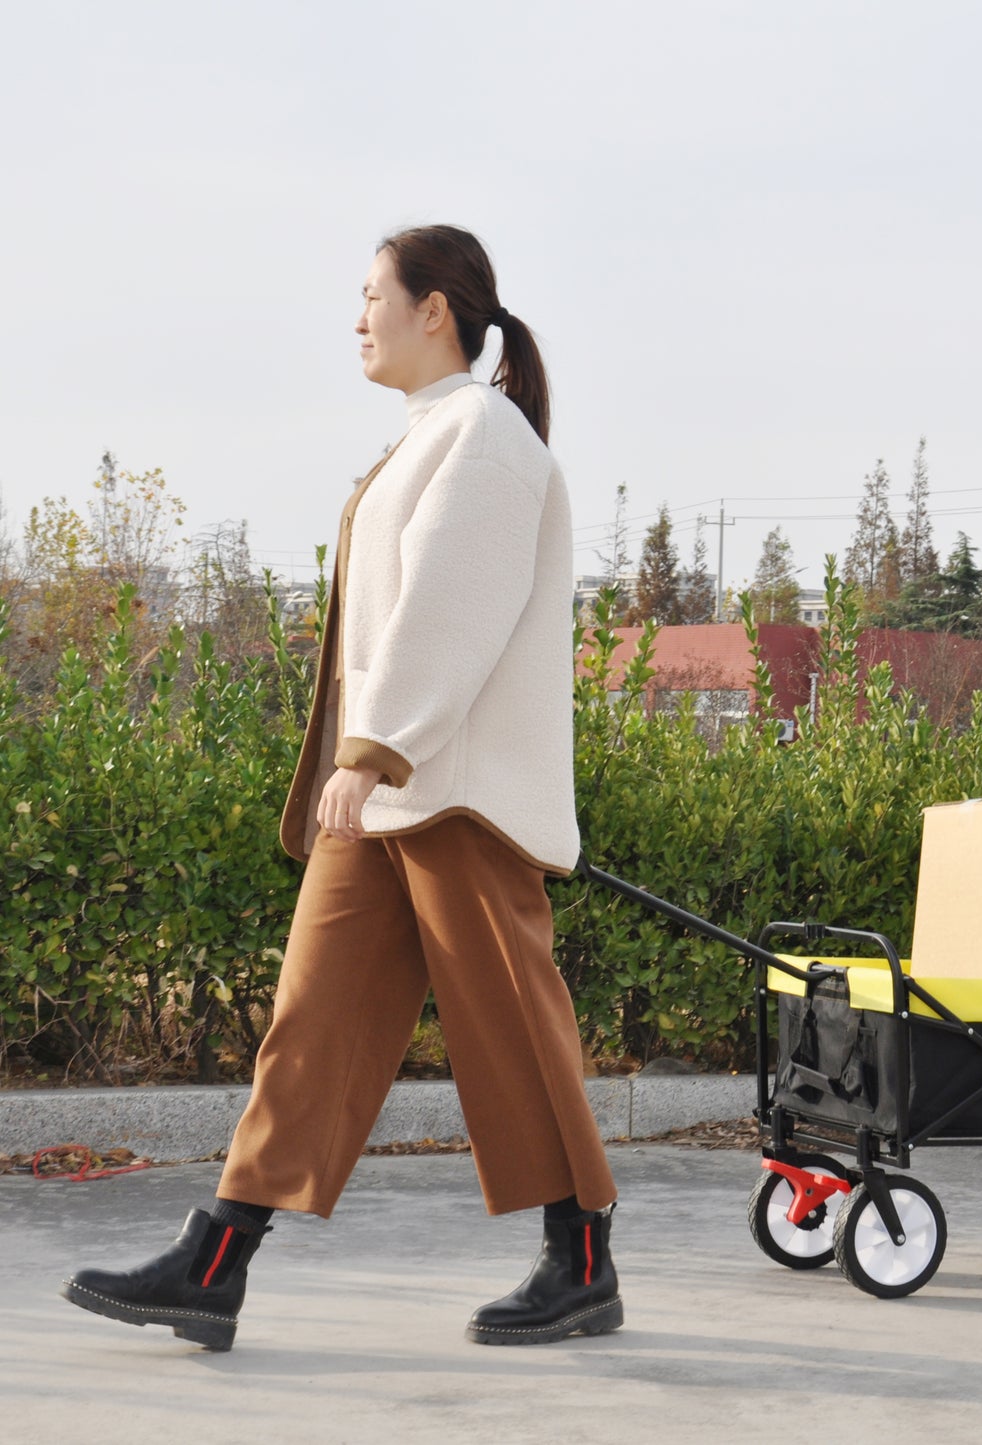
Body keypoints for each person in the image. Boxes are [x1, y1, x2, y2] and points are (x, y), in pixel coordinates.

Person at [60, 224, 621, 1352]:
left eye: (372, 295)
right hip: (388, 791)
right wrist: (362, 766)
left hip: (449, 789)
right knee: (309, 1025)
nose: (356, 317)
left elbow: (447, 616)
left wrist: (369, 752)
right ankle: (214, 1262)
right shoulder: (426, 440)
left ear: (435, 311)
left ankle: (583, 1264)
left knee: (511, 1030)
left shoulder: (484, 439)